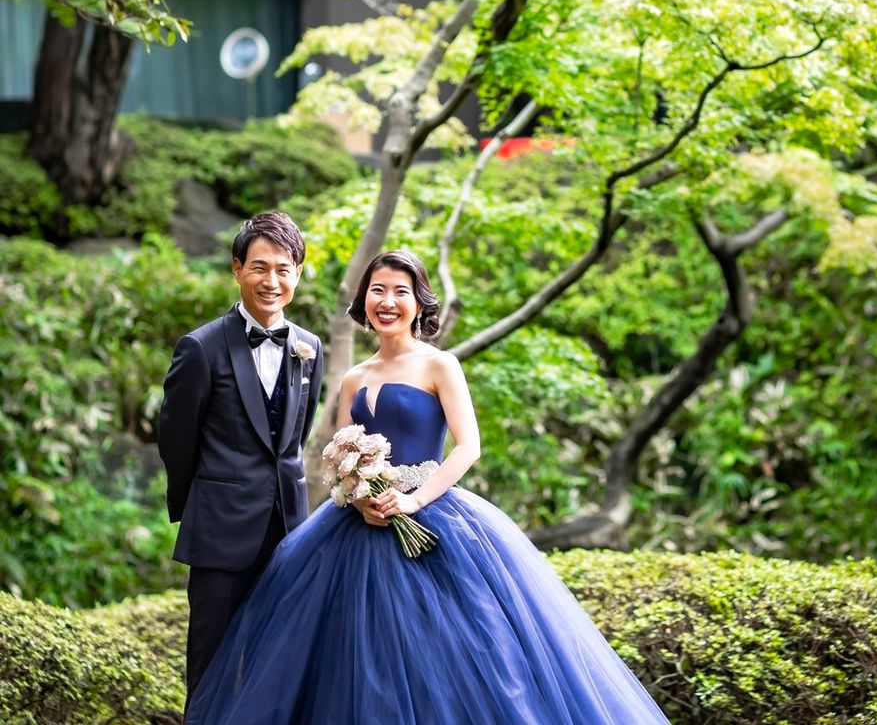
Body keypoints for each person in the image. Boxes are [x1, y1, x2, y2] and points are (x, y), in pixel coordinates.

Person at [184, 249, 670, 725]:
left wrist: (413, 498)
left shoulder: (440, 365)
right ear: (364, 299)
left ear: (419, 302)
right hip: (356, 525)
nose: (387, 302)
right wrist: (360, 498)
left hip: (430, 516)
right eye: (377, 290)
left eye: (401, 291)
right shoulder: (353, 378)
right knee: (349, 656)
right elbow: (343, 452)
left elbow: (468, 447)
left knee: (450, 658)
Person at [158, 211, 324, 705]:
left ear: (297, 273)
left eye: (283, 269)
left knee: (279, 668)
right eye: (259, 267)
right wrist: (202, 507)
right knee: (211, 670)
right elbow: (176, 441)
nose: (271, 281)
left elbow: (295, 438)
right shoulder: (201, 348)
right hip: (219, 534)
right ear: (236, 268)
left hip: (289, 534)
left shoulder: (309, 347)